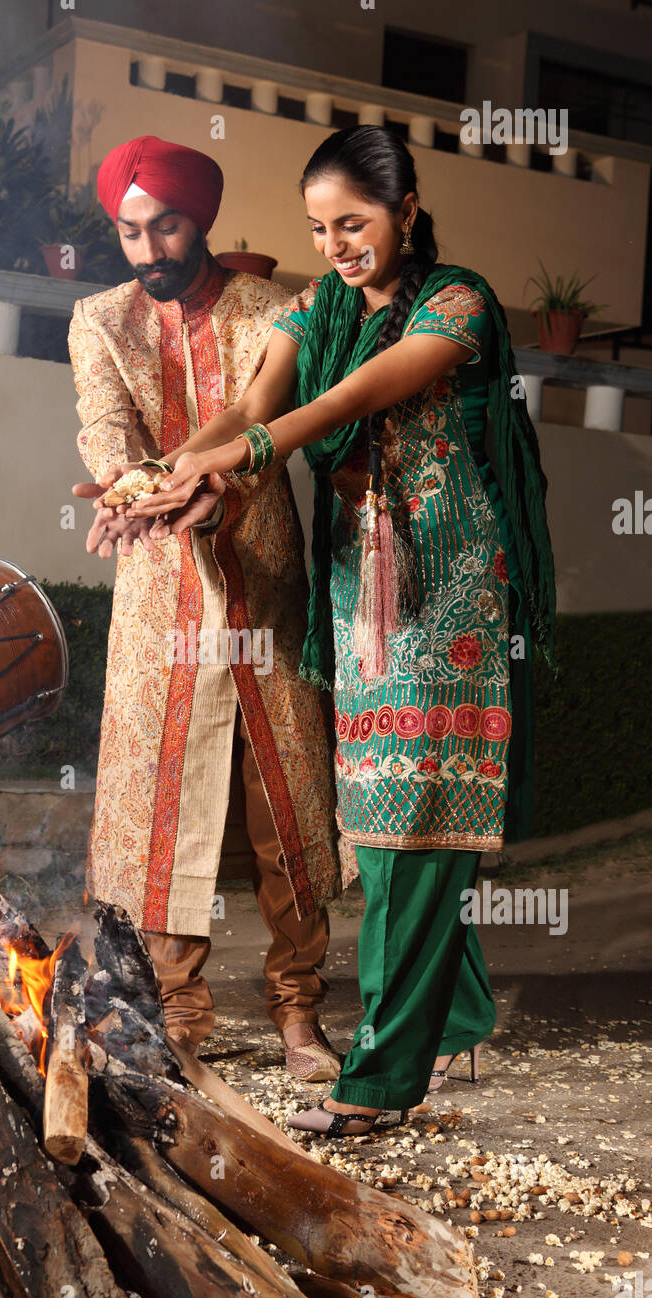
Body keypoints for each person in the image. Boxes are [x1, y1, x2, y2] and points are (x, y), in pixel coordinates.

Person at [126, 126, 556, 1135]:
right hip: (357, 589)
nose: (335, 246)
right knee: (380, 823)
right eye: (318, 229)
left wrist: (259, 449)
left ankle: (379, 1081)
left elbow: (354, 393)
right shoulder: (316, 304)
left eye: (353, 224)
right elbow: (247, 405)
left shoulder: (458, 300)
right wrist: (153, 479)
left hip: (449, 584)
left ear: (404, 209)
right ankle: (454, 1013)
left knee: (416, 822)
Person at [69, 135, 344, 1077]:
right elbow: (106, 430)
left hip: (263, 576)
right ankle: (180, 1013)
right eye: (130, 231)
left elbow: (272, 425)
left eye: (166, 226)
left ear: (202, 220)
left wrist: (212, 484)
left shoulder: (277, 308)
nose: (148, 250)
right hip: (159, 588)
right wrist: (132, 486)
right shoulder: (98, 320)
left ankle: (298, 1012)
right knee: (157, 798)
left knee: (290, 796)